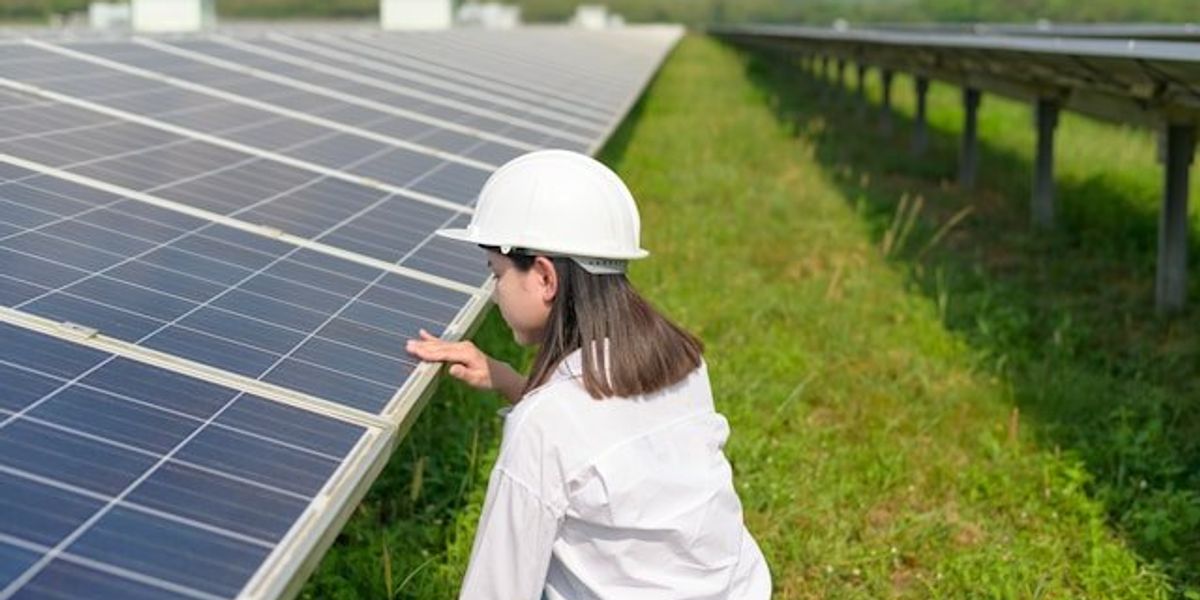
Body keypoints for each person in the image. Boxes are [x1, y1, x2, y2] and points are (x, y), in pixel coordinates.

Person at [406, 149, 771, 599]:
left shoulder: (544, 425)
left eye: (495, 272)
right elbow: (602, 437)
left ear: (544, 277)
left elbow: (498, 588)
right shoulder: (682, 362)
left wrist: (530, 405)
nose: (495, 293)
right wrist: (505, 379)